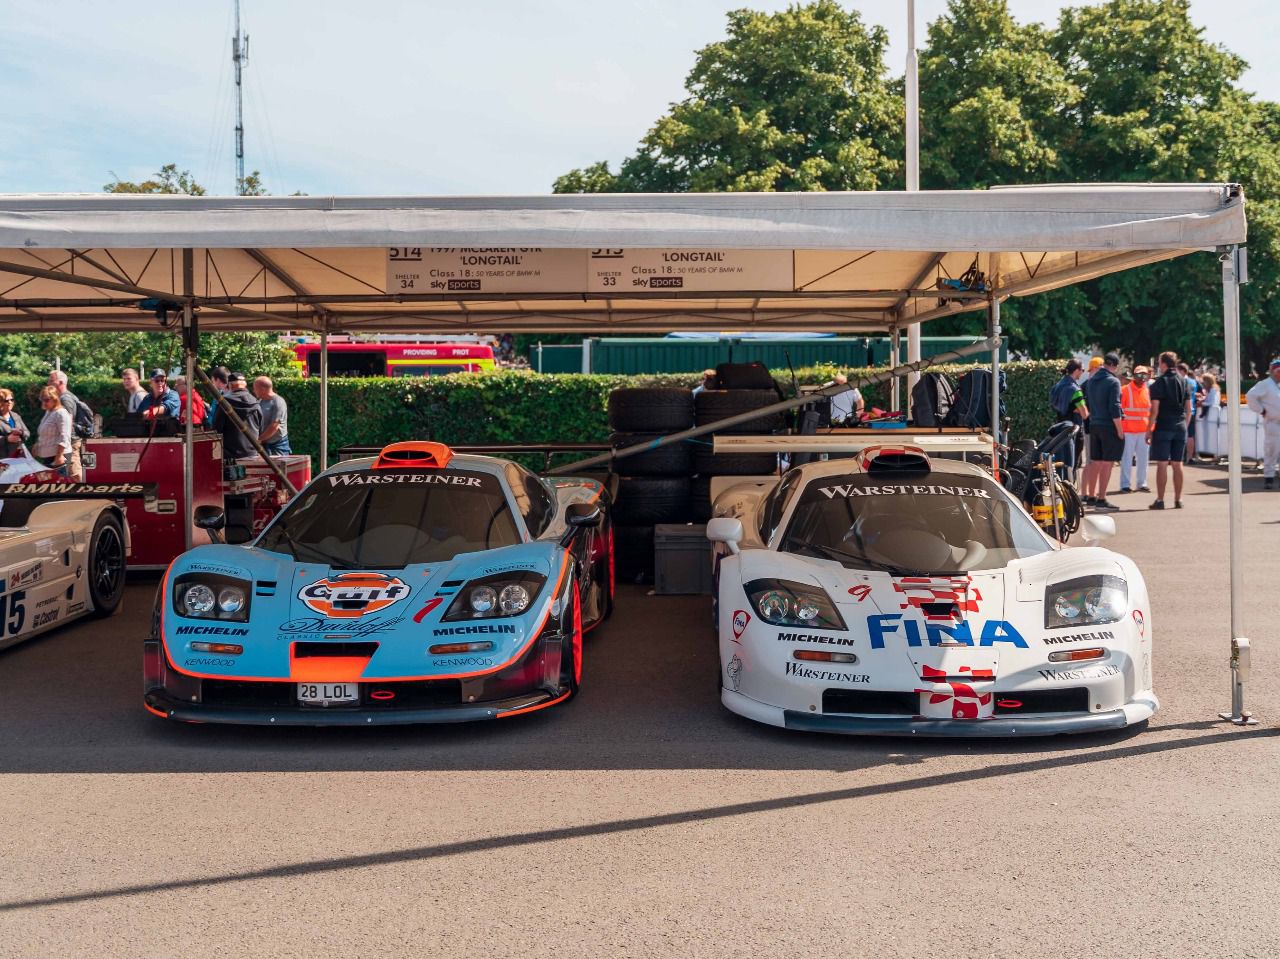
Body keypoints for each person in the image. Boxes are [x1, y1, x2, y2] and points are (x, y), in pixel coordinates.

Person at [1146, 351, 1191, 509]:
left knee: (1162, 463)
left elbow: (1155, 410)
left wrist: (1149, 429)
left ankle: (1160, 499)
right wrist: (1184, 424)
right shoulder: (1184, 382)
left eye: (1159, 362)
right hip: (1180, 425)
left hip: (1164, 426)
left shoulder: (1159, 383)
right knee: (1178, 463)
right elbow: (1189, 409)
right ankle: (1178, 499)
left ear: (1164, 364)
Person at [1081, 353, 1124, 510]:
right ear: (1114, 365)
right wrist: (1120, 430)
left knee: (1095, 462)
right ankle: (1101, 499)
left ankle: (1091, 496)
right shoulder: (1113, 382)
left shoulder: (1091, 381)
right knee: (1107, 463)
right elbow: (1115, 407)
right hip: (1109, 425)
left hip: (1094, 424)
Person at [1049, 359, 1089, 477]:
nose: (1082, 372)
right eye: (1082, 370)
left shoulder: (1057, 386)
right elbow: (1084, 414)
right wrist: (1077, 409)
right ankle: (1070, 491)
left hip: (1060, 429)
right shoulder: (1075, 390)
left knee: (1060, 462)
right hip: (1074, 430)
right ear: (1076, 370)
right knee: (1072, 465)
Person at [1245, 358, 1280, 489]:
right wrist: (1262, 410)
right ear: (1272, 371)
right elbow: (1250, 396)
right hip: (1273, 422)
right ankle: (1269, 477)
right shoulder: (1265, 384)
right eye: (1278, 371)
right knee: (1272, 450)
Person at [47, 370, 87, 481]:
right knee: (64, 474)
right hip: (67, 442)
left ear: (60, 382)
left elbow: (67, 422)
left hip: (70, 442)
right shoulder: (65, 397)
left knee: (74, 473)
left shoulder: (65, 399)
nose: (48, 383)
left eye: (51, 380)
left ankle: (83, 495)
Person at [213, 371, 262, 460]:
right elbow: (260, 426)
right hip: (252, 452)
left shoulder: (224, 403)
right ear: (245, 385)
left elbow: (216, 429)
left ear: (230, 386)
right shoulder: (256, 402)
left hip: (230, 455)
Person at [1119, 365, 1152, 494]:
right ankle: (1125, 484)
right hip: (1128, 430)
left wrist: (1151, 430)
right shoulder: (1125, 390)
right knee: (1127, 458)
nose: (1142, 378)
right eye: (1139, 375)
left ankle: (1142, 483)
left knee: (1143, 459)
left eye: (1144, 375)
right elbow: (1120, 411)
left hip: (1143, 430)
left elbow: (1150, 412)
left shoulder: (1148, 391)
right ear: (1134, 376)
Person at [33, 385, 71, 475]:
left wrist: (59, 456)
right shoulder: (49, 412)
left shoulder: (61, 413)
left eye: (46, 400)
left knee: (58, 486)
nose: (43, 402)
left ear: (55, 399)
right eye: (42, 399)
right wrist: (38, 445)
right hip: (49, 457)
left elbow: (64, 436)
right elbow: (46, 433)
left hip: (58, 457)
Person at [253, 376, 291, 454]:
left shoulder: (278, 402)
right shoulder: (260, 401)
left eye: (255, 388)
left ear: (262, 389)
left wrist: (259, 440)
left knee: (277, 466)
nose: (254, 391)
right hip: (264, 444)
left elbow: (274, 426)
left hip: (277, 446)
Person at [1178, 362, 1200, 462]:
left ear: (1182, 371)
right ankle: (1189, 457)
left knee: (1180, 434)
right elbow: (1200, 394)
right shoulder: (1194, 382)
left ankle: (1179, 456)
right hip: (1192, 411)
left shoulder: (1180, 381)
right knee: (1191, 435)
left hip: (1182, 411)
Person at [0, 388, 31, 457]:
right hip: (3, 459)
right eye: (6, 401)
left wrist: (21, 433)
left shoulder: (15, 415)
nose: (10, 402)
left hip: (19, 456)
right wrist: (6, 439)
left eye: (11, 400)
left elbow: (27, 433)